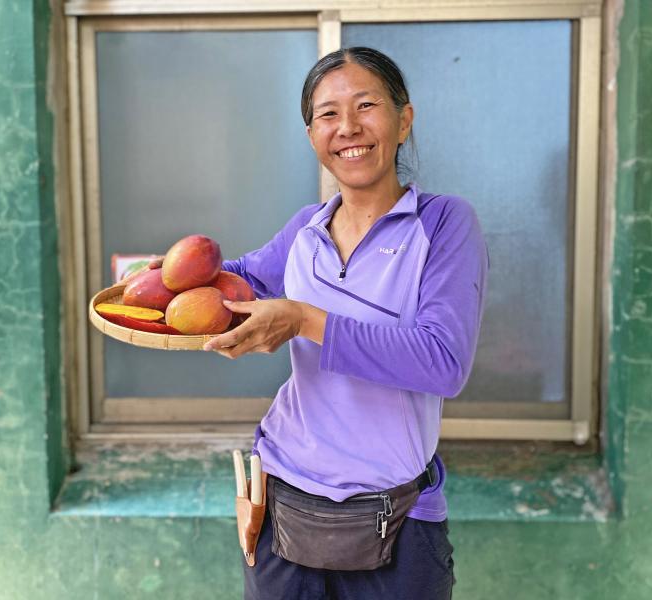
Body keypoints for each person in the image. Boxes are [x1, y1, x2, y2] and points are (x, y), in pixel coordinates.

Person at [203, 47, 489, 600]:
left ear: (403, 119)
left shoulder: (445, 225)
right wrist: (169, 278)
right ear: (312, 135)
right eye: (327, 114)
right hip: (283, 501)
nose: (348, 127)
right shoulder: (305, 230)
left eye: (366, 106)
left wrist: (305, 318)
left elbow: (443, 362)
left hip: (397, 520)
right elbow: (237, 282)